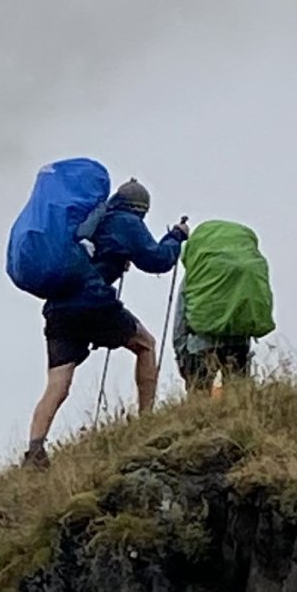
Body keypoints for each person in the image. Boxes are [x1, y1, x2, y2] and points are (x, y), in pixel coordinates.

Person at [24, 178, 188, 466]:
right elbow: (157, 260)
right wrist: (176, 236)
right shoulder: (127, 221)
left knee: (58, 383)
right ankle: (146, 420)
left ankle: (34, 450)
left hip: (59, 308)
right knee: (146, 345)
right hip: (94, 302)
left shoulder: (89, 222)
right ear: (140, 208)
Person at [171, 219, 275, 396]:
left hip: (200, 344)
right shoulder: (243, 275)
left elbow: (180, 319)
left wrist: (182, 357)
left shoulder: (194, 279)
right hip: (238, 342)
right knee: (238, 397)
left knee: (199, 400)